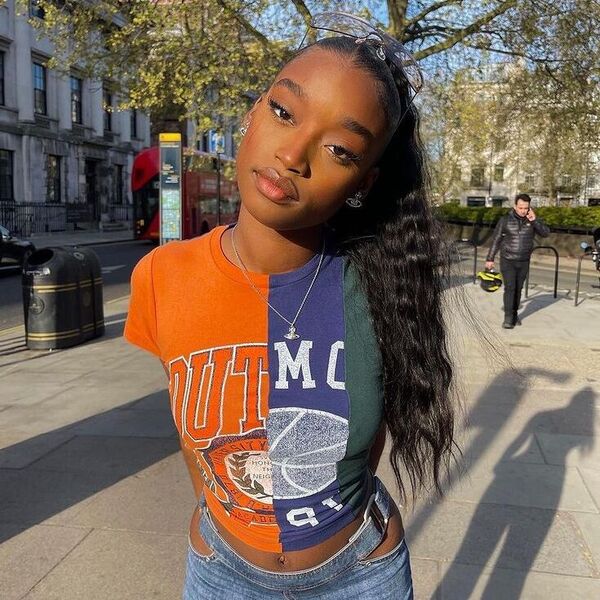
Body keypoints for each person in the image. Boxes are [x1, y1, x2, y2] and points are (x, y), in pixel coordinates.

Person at [124, 12, 456, 599]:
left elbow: (367, 444)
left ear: (362, 183)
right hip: (221, 573)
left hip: (359, 574)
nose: (294, 154)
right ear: (252, 112)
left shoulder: (381, 287)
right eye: (283, 111)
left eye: (339, 149)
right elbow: (188, 422)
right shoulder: (162, 277)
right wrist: (213, 519)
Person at [485, 193, 550, 329]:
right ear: (515, 206)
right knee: (510, 288)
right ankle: (508, 318)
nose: (523, 211)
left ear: (529, 207)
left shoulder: (532, 220)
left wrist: (534, 220)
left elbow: (545, 233)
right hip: (507, 260)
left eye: (526, 208)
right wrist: (490, 259)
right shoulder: (504, 220)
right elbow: (496, 240)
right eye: (520, 208)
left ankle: (514, 314)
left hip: (524, 260)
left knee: (518, 289)